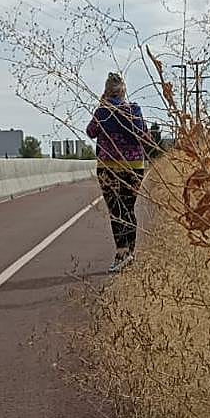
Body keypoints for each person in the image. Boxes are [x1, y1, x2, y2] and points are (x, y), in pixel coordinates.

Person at [86, 72, 148, 272]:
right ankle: (130, 253)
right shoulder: (134, 110)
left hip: (109, 169)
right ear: (123, 91)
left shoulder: (103, 112)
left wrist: (102, 105)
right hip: (135, 167)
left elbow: (91, 132)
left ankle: (121, 253)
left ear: (106, 91)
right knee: (129, 209)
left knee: (116, 211)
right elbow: (144, 134)